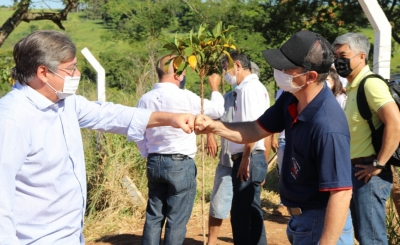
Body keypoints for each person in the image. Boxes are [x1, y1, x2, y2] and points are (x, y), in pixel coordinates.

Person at [0, 30, 195, 245]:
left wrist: (170, 118)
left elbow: (108, 114)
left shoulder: (65, 103)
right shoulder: (12, 118)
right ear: (43, 72)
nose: (77, 73)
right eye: (71, 68)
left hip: (71, 235)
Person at [195, 30, 354, 245]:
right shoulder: (291, 99)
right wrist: (214, 126)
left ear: (311, 76)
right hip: (301, 221)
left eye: (287, 68)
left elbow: (341, 193)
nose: (279, 71)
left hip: (322, 223)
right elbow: (255, 129)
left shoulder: (328, 125)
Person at [136, 55, 224, 245]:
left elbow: (137, 131)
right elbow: (217, 111)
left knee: (154, 215)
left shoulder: (145, 99)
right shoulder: (185, 97)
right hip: (179, 163)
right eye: (183, 71)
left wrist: (147, 153)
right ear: (178, 74)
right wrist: (215, 89)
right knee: (176, 219)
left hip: (154, 160)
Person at [333, 32, 400, 245]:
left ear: (362, 56)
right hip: (357, 172)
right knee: (364, 236)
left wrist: (378, 164)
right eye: (336, 56)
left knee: (371, 239)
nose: (338, 61)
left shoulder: (370, 84)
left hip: (369, 175)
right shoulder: (353, 87)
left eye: (343, 55)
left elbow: (394, 123)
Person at [206, 61, 271, 245]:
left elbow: (252, 128)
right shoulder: (247, 90)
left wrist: (245, 158)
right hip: (242, 158)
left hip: (247, 157)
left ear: (238, 65)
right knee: (251, 211)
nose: (225, 73)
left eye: (227, 68)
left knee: (242, 215)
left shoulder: (249, 89)